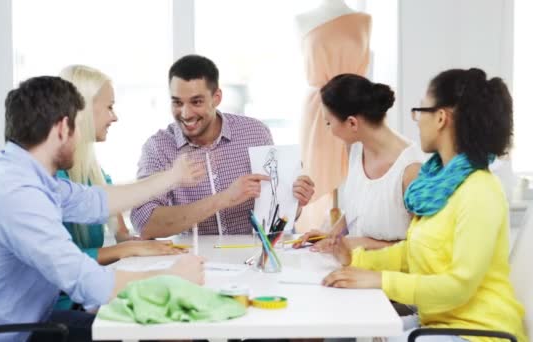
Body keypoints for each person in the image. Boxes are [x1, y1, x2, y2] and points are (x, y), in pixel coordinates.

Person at [0, 76, 206, 342]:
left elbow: (98, 201)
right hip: (2, 337)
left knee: (162, 328)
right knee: (161, 331)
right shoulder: (16, 195)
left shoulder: (28, 177)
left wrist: (172, 177)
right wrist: (172, 276)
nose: (80, 138)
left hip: (28, 324)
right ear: (62, 128)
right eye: (77, 127)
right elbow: (89, 284)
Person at [315, 68, 527, 341]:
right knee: (352, 329)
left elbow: (458, 286)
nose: (416, 121)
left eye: (421, 110)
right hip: (439, 322)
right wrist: (355, 259)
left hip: (478, 332)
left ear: (440, 118)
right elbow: (412, 254)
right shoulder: (437, 184)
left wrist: (380, 280)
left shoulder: (480, 190)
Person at [130, 54, 315, 238]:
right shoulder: (158, 147)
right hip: (194, 261)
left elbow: (276, 216)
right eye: (177, 102)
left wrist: (295, 204)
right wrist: (224, 198)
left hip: (252, 256)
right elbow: (144, 223)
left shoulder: (255, 132)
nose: (185, 114)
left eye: (196, 102)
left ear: (216, 97)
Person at [53, 65, 187, 311]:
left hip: (86, 298)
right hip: (64, 307)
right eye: (109, 107)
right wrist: (130, 248)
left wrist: (153, 247)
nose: (114, 117)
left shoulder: (93, 171)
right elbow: (67, 263)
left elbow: (121, 232)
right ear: (81, 109)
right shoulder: (54, 178)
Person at [295, 75, 423, 250]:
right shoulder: (356, 149)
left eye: (328, 122)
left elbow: (423, 248)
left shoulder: (412, 170)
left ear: (352, 123)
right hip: (353, 267)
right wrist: (332, 236)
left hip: (389, 275)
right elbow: (359, 211)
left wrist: (361, 244)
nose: (329, 130)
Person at [294, 0, 372, 232]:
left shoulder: (364, 21)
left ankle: (355, 232)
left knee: (360, 170)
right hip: (320, 110)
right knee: (321, 173)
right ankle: (319, 233)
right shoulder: (302, 19)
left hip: (358, 104)